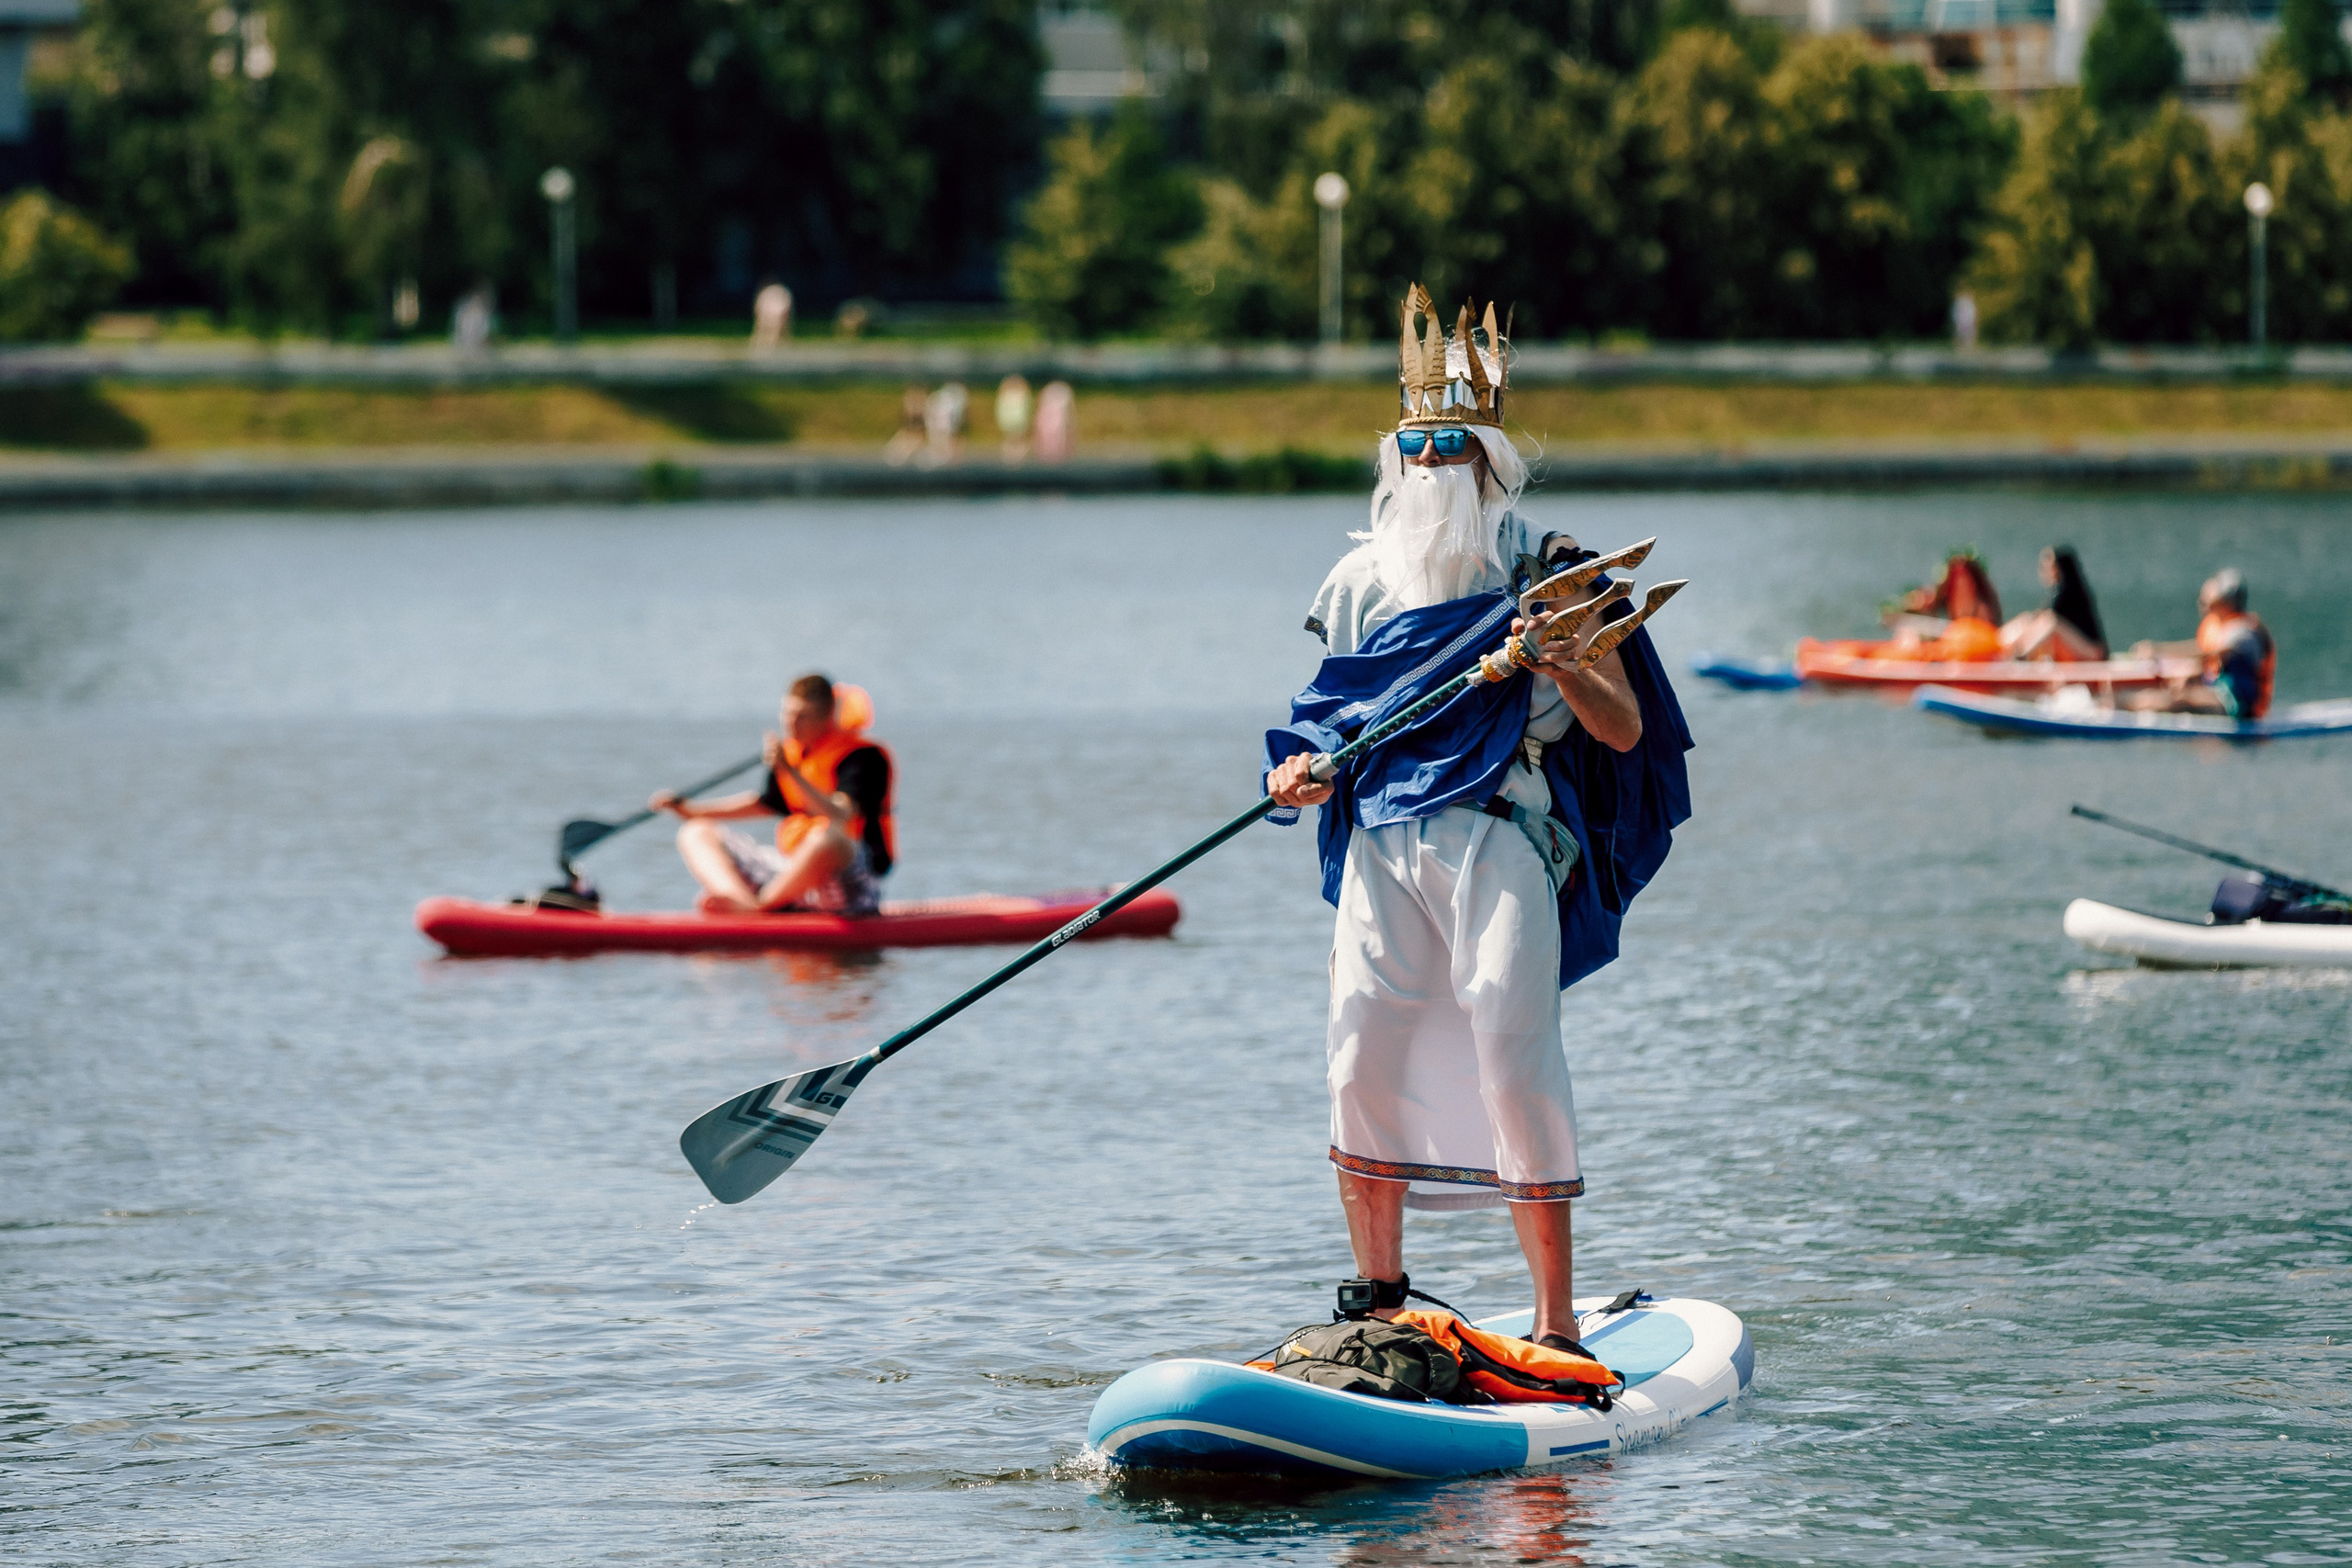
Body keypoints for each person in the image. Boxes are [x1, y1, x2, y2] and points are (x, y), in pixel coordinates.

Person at [1264, 287, 1692, 1351]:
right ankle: (1378, 1299)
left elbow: (1625, 730)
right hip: (1381, 840)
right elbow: (1327, 720)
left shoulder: (1551, 570)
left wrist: (1563, 663)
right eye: (1414, 446)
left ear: (1489, 457)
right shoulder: (1359, 581)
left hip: (1505, 829)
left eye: (1451, 446)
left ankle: (1555, 1322)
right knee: (1359, 1052)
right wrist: (1298, 776)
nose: (1429, 467)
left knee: (1512, 1045)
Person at [653, 674, 895, 915]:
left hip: (845, 878)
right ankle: (741, 902)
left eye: (802, 717)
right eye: (788, 714)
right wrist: (691, 811)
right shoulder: (791, 754)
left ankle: (760, 908)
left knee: (829, 837)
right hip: (791, 874)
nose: (791, 724)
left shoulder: (865, 758)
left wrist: (789, 772)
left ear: (827, 717)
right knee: (696, 831)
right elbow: (765, 804)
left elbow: (839, 815)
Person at [2124, 569, 2274, 717]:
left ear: (2225, 601)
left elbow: (2208, 653)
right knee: (2170, 692)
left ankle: (2121, 711)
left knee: (2174, 701)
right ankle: (2123, 706)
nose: (2203, 605)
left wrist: (2157, 650)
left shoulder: (2243, 632)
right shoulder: (2218, 626)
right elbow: (2207, 666)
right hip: (2217, 691)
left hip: (2237, 703)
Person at [1999, 546, 2109, 661]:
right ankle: (2001, 646)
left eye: (2049, 566)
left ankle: (2020, 655)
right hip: (2080, 647)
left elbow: (2047, 618)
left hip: (2093, 651)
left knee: (2051, 623)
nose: (2045, 571)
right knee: (2028, 619)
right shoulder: (2064, 590)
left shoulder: (2070, 591)